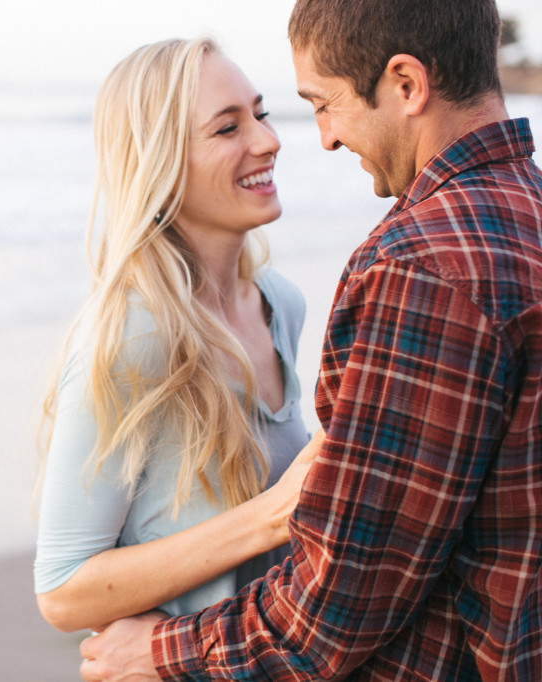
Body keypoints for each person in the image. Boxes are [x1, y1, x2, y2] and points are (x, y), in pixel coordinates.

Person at [79, 0, 542, 679]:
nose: (322, 137)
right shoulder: (528, 209)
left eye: (325, 103)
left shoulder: (420, 267)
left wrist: (155, 651)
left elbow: (332, 613)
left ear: (407, 85)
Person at [34, 37, 324, 636]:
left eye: (261, 114)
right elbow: (63, 591)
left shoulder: (280, 305)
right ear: (160, 160)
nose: (268, 141)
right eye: (226, 129)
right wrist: (270, 516)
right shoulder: (133, 338)